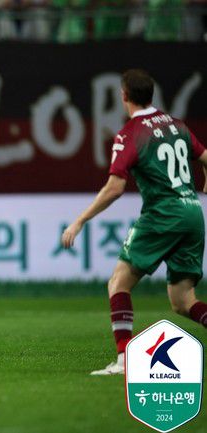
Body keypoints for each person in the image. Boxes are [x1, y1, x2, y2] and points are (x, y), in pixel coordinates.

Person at [61, 69, 207, 375]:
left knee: (118, 283)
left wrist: (80, 221)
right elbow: (205, 156)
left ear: (124, 95)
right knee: (183, 301)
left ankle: (124, 360)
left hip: (162, 214)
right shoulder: (176, 125)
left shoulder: (131, 134)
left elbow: (115, 188)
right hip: (193, 212)